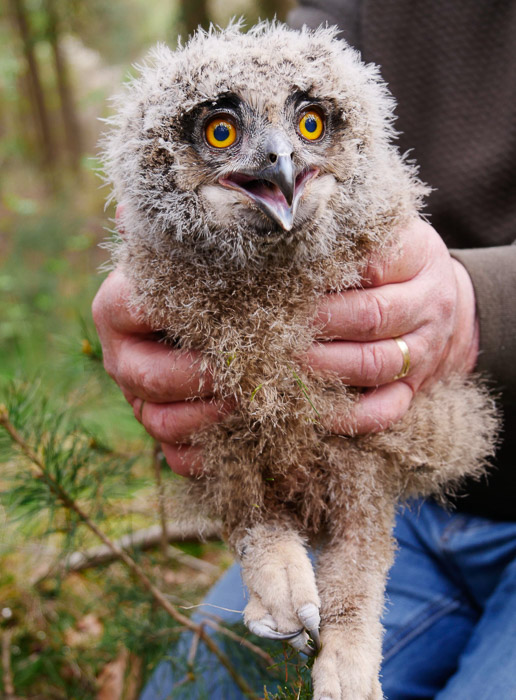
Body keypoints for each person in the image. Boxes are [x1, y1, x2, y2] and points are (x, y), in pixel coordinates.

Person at [92, 1, 516, 697]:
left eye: (309, 126)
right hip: (360, 507)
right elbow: (266, 67)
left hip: (421, 465)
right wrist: (154, 297)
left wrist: (483, 307)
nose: (282, 154)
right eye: (222, 132)